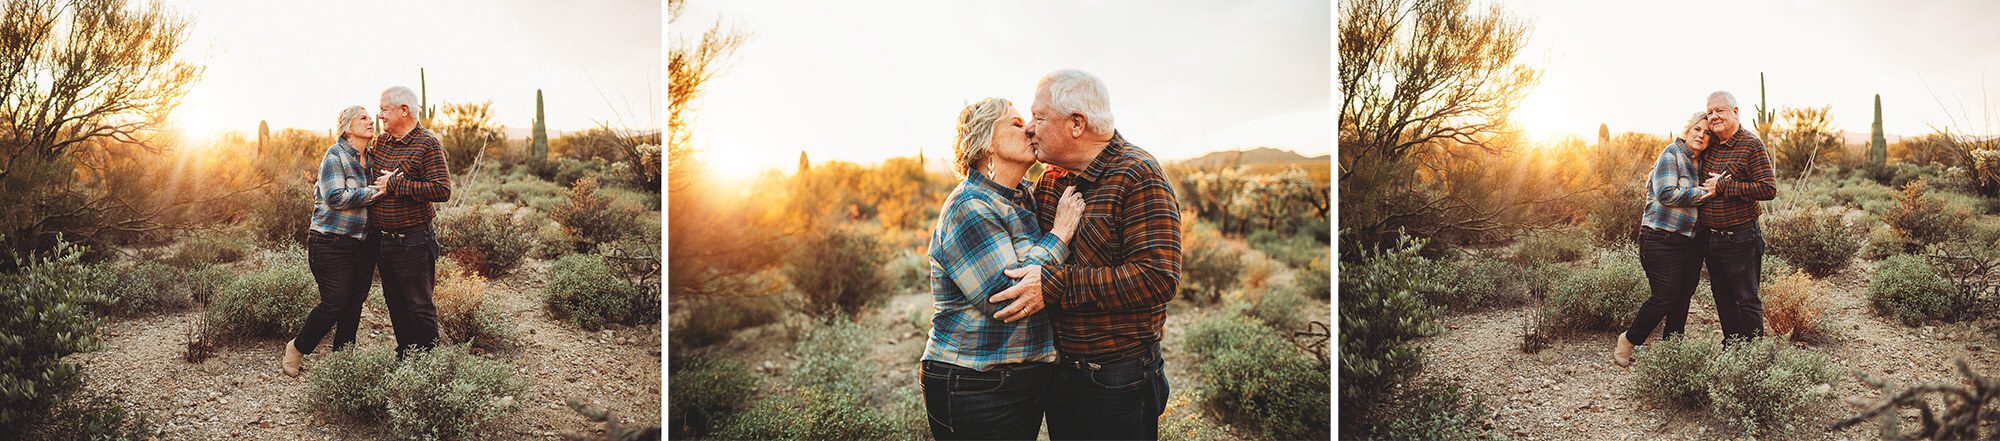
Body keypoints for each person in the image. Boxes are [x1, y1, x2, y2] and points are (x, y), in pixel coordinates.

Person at [995, 68, 1182, 440]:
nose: (1030, 128)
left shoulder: (1137, 174)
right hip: (1058, 370)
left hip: (1116, 377)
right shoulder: (1051, 178)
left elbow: (1157, 277)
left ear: (1076, 124)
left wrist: (1055, 285)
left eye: (1040, 117)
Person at [919, 97, 1086, 440]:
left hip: (1023, 379)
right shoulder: (970, 205)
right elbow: (1003, 298)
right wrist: (1060, 233)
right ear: (985, 143)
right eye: (1014, 123)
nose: (1028, 128)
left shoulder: (1024, 196)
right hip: (974, 384)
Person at [282, 105, 388, 376]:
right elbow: (335, 198)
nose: (370, 121)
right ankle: (298, 346)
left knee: (354, 304)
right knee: (335, 301)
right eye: (363, 118)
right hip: (330, 243)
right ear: (347, 126)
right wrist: (374, 193)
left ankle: (343, 362)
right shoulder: (335, 155)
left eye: (370, 118)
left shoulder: (374, 158)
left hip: (365, 243)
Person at [1613, 111, 1723, 366]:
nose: (1701, 136)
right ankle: (1629, 340)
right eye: (1697, 129)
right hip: (1660, 238)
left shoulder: (1702, 162)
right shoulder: (1670, 155)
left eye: (1707, 133)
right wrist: (1704, 193)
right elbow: (1665, 194)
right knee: (1665, 295)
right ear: (1688, 130)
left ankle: (1672, 351)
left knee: (1683, 297)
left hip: (1691, 241)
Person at [367, 85, 452, 357]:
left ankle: (427, 367)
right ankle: (405, 356)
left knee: (419, 305)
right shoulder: (382, 142)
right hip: (383, 240)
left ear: (404, 110)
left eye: (384, 109)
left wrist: (397, 185)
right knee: (395, 303)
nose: (379, 115)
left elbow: (442, 189)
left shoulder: (428, 143)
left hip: (413, 241)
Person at [1697, 90, 1777, 345]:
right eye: (1710, 112)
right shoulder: (1710, 147)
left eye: (1719, 110)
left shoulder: (1751, 145)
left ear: (1735, 112)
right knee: (1722, 297)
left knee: (1747, 299)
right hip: (1712, 239)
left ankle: (1752, 355)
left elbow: (1768, 188)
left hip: (1741, 238)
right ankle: (1733, 347)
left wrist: (1725, 187)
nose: (1714, 116)